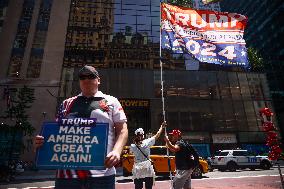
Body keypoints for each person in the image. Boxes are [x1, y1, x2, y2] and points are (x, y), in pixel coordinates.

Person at [34, 65, 128, 189]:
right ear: (79, 81)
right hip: (67, 176)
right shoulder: (66, 104)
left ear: (98, 80)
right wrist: (42, 143)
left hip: (102, 174)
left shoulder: (111, 101)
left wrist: (116, 151)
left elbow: (122, 130)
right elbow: (58, 134)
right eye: (82, 77)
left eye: (90, 76)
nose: (86, 79)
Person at [130, 122, 166, 189]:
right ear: (143, 135)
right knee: (149, 186)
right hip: (147, 167)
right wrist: (162, 127)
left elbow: (131, 152)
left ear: (135, 135)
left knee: (138, 187)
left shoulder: (132, 146)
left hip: (138, 168)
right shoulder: (147, 142)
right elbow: (157, 135)